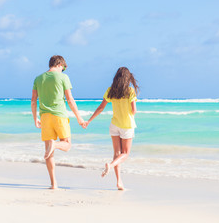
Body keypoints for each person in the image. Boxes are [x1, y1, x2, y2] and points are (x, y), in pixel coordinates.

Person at [31, 55, 86, 189]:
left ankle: (53, 184)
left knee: (49, 153)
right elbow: (70, 100)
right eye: (64, 68)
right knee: (67, 145)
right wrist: (79, 118)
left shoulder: (38, 79)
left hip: (45, 116)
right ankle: (55, 145)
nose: (64, 70)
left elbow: (33, 101)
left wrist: (35, 119)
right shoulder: (63, 77)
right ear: (60, 64)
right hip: (59, 115)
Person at [86, 67, 139, 190]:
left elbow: (101, 107)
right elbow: (134, 110)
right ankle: (110, 166)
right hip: (127, 126)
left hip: (114, 125)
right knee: (125, 154)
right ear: (128, 78)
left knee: (116, 153)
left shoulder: (111, 91)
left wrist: (89, 121)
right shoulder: (130, 91)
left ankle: (119, 181)